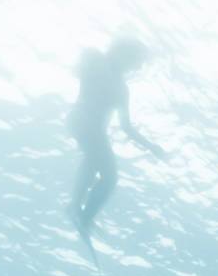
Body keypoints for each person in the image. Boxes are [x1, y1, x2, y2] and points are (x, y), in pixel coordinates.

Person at [68, 37, 162, 261]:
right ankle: (79, 212)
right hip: (82, 119)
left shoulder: (122, 88)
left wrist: (150, 146)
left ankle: (78, 210)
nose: (133, 67)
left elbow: (126, 126)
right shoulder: (96, 59)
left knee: (93, 162)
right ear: (120, 52)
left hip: (90, 128)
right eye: (133, 61)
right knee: (107, 175)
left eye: (135, 64)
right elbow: (77, 68)